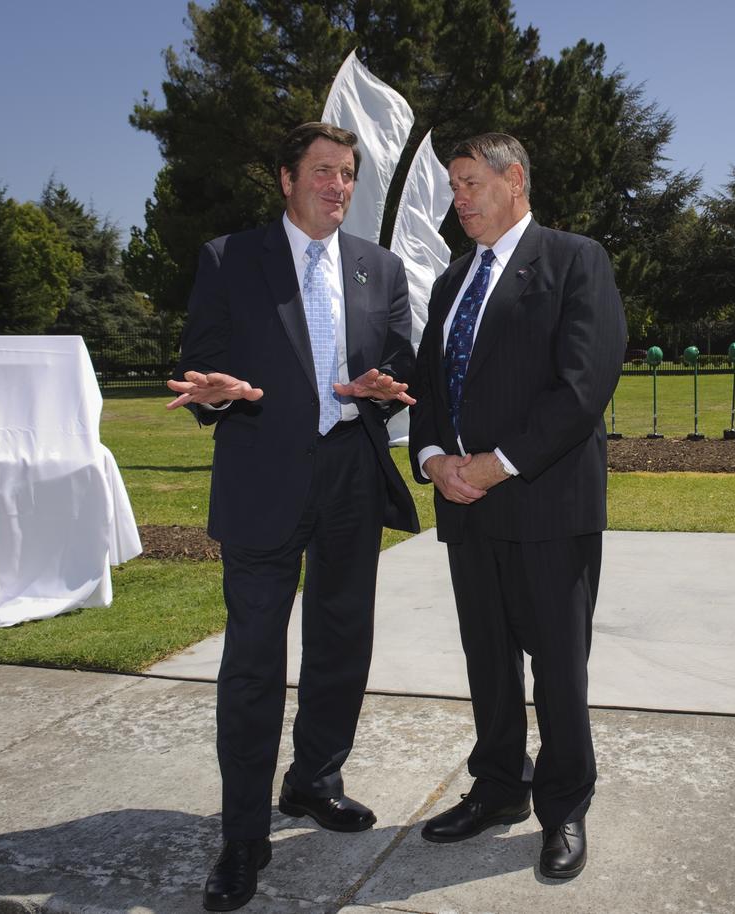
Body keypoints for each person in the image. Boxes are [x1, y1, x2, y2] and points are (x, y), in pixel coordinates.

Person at [167, 121, 420, 912]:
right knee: (252, 662)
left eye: (347, 173)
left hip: (350, 476)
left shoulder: (379, 267)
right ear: (286, 178)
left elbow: (401, 359)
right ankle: (243, 835)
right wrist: (215, 392)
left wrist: (385, 386)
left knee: (342, 642)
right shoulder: (230, 258)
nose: (337, 186)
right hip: (262, 475)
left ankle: (314, 779)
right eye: (322, 171)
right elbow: (199, 363)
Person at [408, 133, 626, 879]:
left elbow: (583, 386)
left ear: (515, 180)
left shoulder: (575, 260)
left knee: (558, 668)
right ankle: (499, 786)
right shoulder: (452, 280)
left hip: (545, 503)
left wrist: (497, 464)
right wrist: (433, 460)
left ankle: (563, 807)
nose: (458, 199)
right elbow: (429, 387)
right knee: (488, 662)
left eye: (470, 183)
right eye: (453, 186)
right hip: (467, 506)